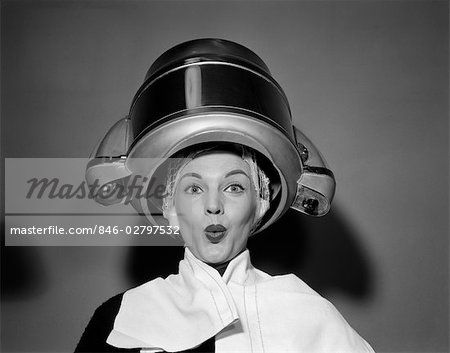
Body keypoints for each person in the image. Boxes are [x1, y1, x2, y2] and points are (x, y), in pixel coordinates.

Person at [77, 39, 375, 352]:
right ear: (170, 208)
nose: (214, 206)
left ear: (260, 204)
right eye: (194, 188)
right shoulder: (120, 319)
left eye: (234, 187)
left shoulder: (313, 318)